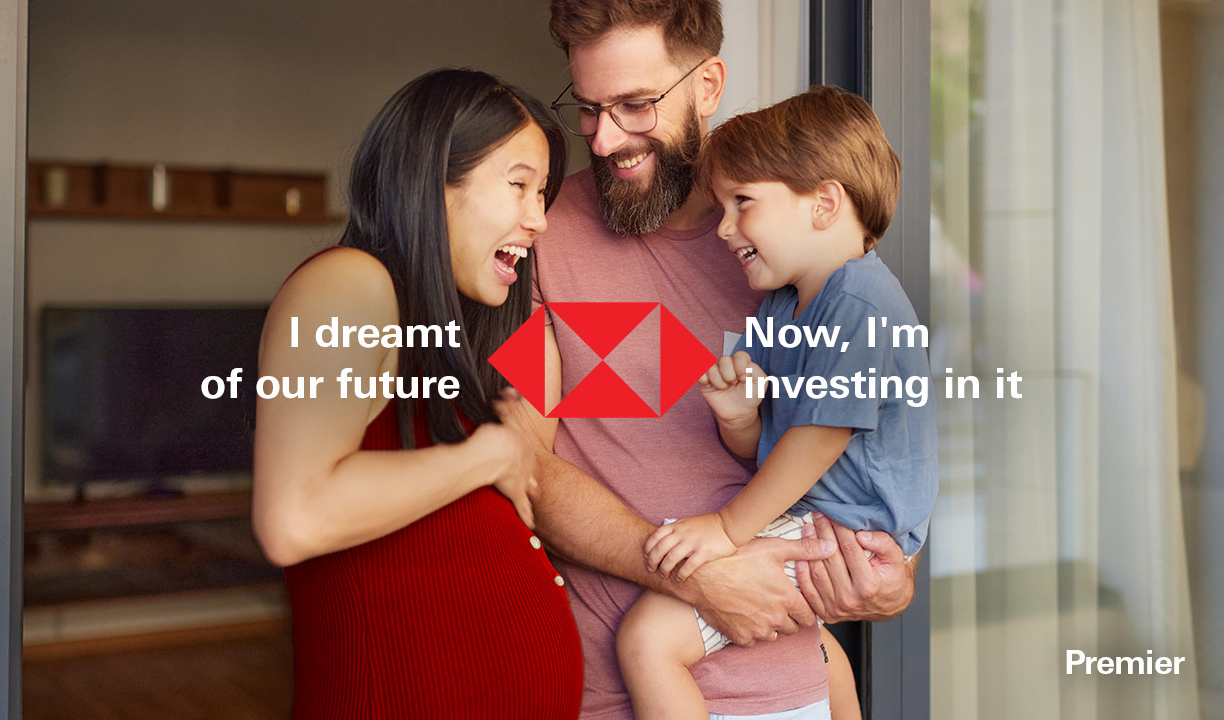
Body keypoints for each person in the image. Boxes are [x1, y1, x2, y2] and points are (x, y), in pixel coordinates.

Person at [516, 1, 920, 718]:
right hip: (618, 690)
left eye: (636, 105)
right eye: (588, 107)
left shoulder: (793, 249)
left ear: (707, 86)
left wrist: (892, 575)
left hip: (795, 682)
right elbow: (527, 467)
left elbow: (866, 434)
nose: (606, 138)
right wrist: (695, 576)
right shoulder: (539, 236)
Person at [251, 68, 582, 718]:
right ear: (431, 181)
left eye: (542, 193)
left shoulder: (474, 331)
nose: (538, 219)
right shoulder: (349, 284)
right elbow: (294, 519)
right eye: (518, 186)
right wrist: (483, 456)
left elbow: (527, 486)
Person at [615, 87, 940, 720]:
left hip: (856, 530)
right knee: (816, 646)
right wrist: (740, 418)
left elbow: (820, 438)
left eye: (743, 204)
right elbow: (772, 444)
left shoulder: (860, 304)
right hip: (826, 516)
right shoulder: (783, 308)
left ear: (824, 203)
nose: (725, 228)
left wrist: (727, 528)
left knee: (649, 639)